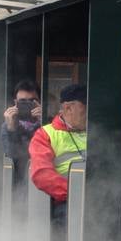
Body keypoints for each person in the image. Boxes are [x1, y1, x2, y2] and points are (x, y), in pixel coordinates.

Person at [29, 83, 88, 213]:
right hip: (67, 202)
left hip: (100, 195)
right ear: (68, 108)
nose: (90, 112)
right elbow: (42, 174)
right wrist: (76, 194)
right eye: (85, 107)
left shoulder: (96, 131)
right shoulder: (44, 134)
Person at [1, 80, 41, 179]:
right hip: (17, 182)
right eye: (22, 101)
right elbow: (11, 158)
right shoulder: (7, 126)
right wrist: (12, 129)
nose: (27, 105)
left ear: (39, 102)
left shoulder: (49, 124)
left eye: (32, 101)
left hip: (40, 178)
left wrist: (43, 123)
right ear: (15, 103)